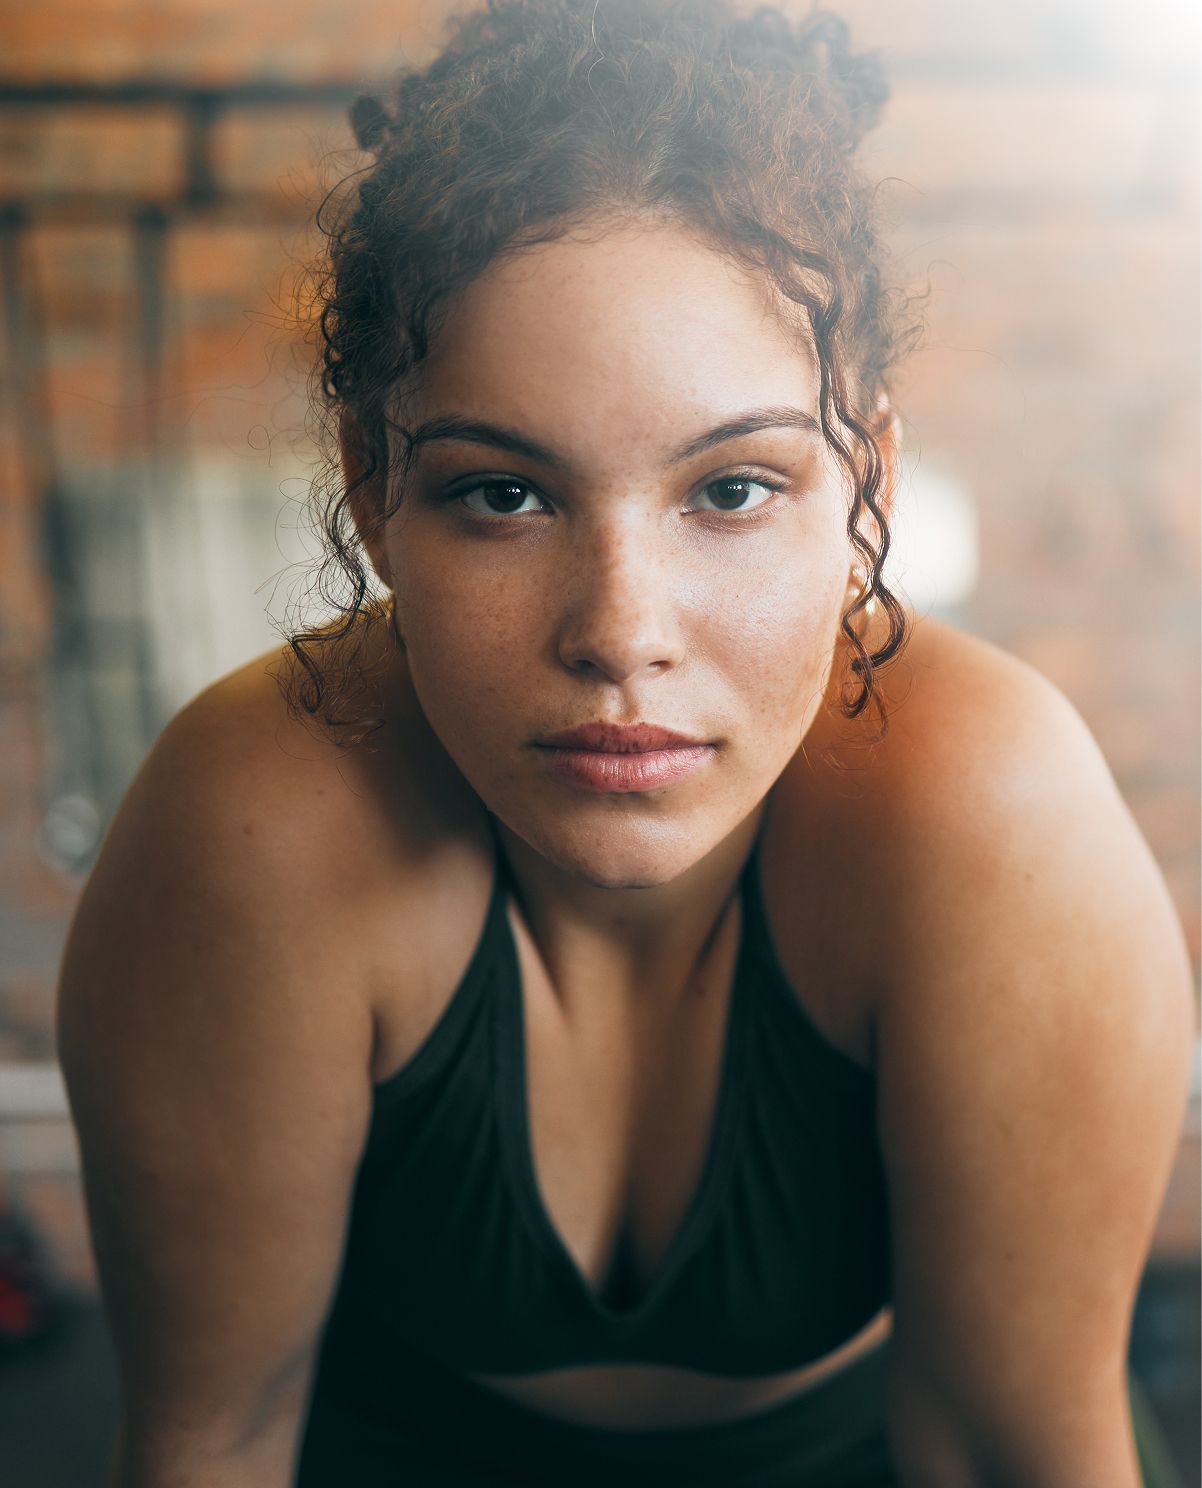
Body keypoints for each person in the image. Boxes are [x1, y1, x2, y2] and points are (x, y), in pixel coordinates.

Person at [56, 2, 1195, 1485]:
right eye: (502, 496)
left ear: (868, 484)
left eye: (729, 490)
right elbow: (215, 1444)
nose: (619, 630)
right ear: (370, 484)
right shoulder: (254, 823)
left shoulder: (987, 816)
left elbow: (1005, 1453)